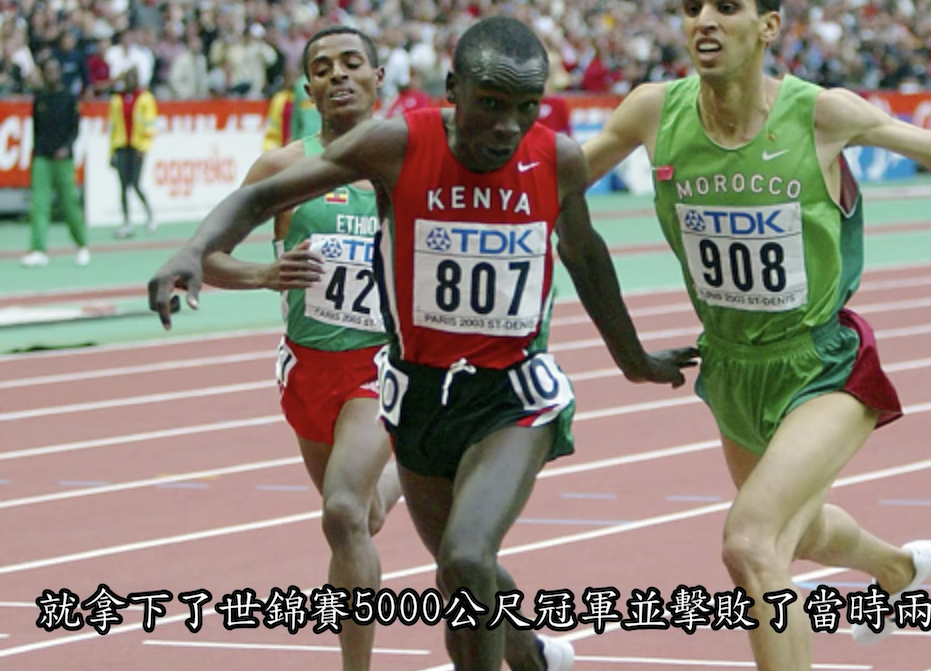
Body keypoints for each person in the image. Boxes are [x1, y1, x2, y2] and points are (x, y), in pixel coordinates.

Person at [580, 1, 931, 669]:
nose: (704, 20)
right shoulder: (654, 111)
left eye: (726, 6)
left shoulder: (820, 114)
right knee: (800, 531)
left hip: (822, 367)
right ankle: (894, 568)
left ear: (767, 26)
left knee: (753, 544)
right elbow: (552, 181)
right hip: (730, 368)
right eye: (691, 8)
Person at [148, 15, 698, 671]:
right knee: (459, 572)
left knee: (463, 553)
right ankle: (533, 657)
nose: (508, 126)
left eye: (525, 108)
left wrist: (635, 360)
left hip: (512, 395)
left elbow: (585, 254)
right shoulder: (397, 146)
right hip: (419, 398)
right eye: (490, 104)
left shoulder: (557, 158)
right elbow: (260, 197)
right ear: (452, 90)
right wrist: (193, 251)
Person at [198, 26, 402, 671]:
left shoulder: (409, 161)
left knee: (341, 513)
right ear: (309, 86)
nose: (337, 74)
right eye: (322, 67)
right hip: (307, 370)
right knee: (364, 516)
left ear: (377, 77)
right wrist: (263, 273)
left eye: (351, 63)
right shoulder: (283, 169)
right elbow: (207, 256)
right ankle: (404, 476)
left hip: (380, 368)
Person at [22, 57, 88, 268]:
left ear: (60, 73)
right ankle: (38, 249)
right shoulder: (40, 98)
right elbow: (36, 129)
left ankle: (81, 245)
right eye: (47, 71)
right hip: (42, 157)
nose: (51, 74)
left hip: (63, 159)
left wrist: (67, 147)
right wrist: (36, 152)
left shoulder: (68, 98)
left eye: (54, 70)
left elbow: (75, 128)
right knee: (39, 204)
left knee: (69, 203)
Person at [109, 68, 156, 238]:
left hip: (137, 148)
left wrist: (144, 147)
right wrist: (111, 151)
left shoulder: (145, 98)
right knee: (123, 186)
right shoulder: (117, 100)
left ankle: (150, 214)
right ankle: (127, 222)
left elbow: (150, 124)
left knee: (136, 184)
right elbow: (113, 128)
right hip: (122, 146)